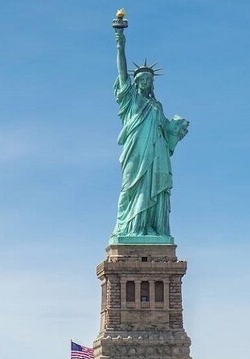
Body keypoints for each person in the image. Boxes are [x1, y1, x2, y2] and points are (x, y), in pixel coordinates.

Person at [110, 22, 189, 241]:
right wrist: (120, 43)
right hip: (136, 151)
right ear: (135, 83)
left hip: (157, 155)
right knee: (131, 187)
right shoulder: (131, 100)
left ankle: (152, 228)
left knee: (155, 188)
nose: (145, 82)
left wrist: (178, 130)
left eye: (148, 80)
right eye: (141, 79)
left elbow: (167, 132)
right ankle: (131, 227)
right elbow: (121, 73)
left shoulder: (157, 107)